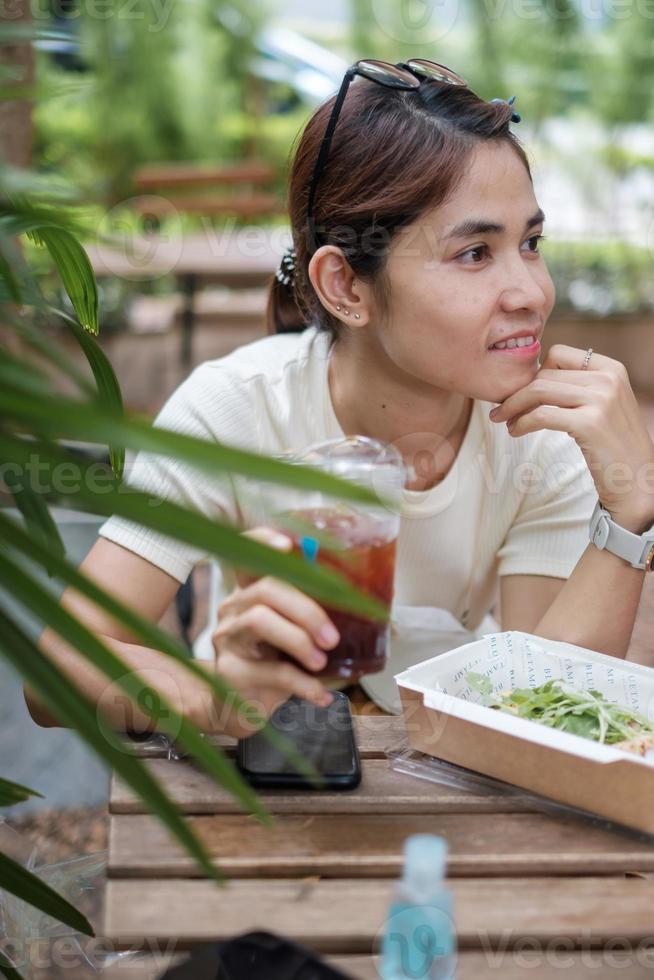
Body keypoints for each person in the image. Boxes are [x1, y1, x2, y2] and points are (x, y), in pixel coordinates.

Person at [29, 58, 654, 735]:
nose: (532, 292)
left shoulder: (542, 432)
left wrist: (631, 510)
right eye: (475, 254)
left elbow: (548, 712)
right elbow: (57, 668)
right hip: (266, 789)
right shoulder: (236, 410)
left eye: (531, 243)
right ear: (346, 287)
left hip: (438, 788)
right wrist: (208, 696)